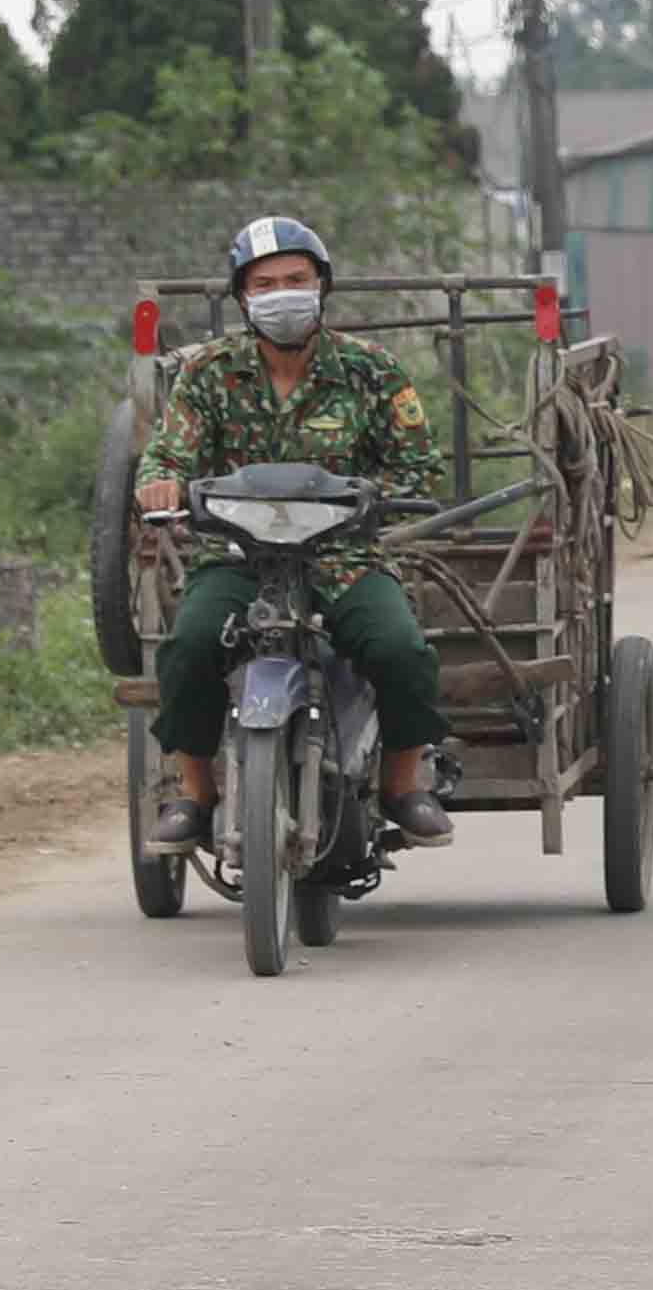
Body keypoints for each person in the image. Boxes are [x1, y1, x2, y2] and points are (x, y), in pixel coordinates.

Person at [139, 216, 455, 847]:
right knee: (191, 647)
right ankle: (195, 794)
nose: (281, 293)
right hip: (237, 558)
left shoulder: (373, 371)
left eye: (295, 279)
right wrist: (162, 482)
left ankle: (402, 784)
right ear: (243, 298)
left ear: (321, 287)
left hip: (343, 555)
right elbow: (167, 454)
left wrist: (380, 496)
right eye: (264, 283)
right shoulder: (208, 374)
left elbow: (419, 464)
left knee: (401, 650)